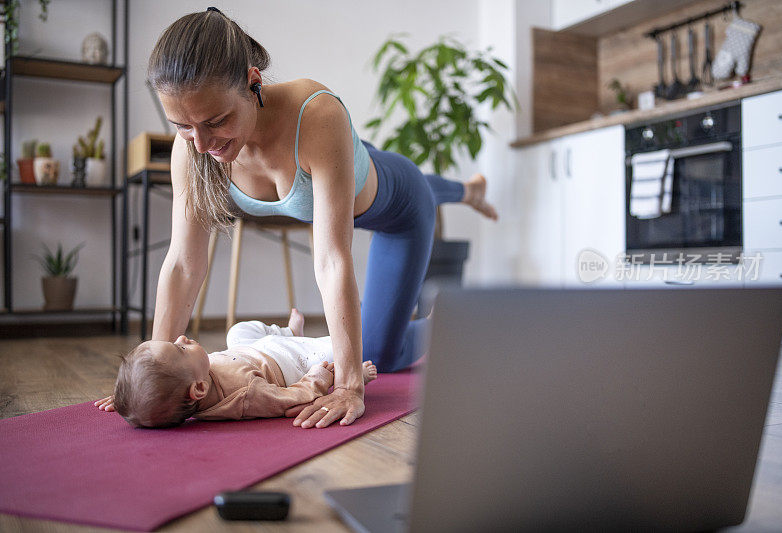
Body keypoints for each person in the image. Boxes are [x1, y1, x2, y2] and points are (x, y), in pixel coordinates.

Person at [95, 8, 496, 428]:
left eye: (216, 122)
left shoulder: (316, 114)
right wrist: (157, 378)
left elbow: (331, 259)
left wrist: (350, 387)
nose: (200, 144)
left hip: (399, 207)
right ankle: (468, 190)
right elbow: (182, 263)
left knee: (381, 355)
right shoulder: (193, 151)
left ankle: (448, 307)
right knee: (370, 169)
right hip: (344, 169)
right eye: (182, 127)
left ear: (253, 83)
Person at [113, 309, 378, 428]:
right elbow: (291, 399)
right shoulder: (245, 395)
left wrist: (134, 394)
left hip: (253, 349)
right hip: (290, 360)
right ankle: (356, 372)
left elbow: (158, 386)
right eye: (180, 349)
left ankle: (289, 331)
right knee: (339, 348)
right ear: (200, 388)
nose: (181, 338)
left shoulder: (192, 377)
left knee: (236, 331)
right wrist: (318, 378)